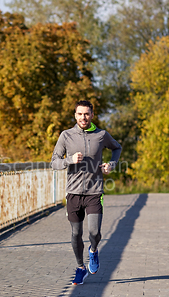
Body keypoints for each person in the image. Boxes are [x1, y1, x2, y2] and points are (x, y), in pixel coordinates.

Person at [51, 100, 122, 285]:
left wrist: (111, 165)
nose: (83, 117)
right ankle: (80, 267)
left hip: (94, 190)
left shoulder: (101, 135)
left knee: (94, 232)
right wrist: (69, 160)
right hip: (73, 192)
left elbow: (117, 148)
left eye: (87, 114)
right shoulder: (66, 136)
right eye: (80, 114)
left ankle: (93, 250)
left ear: (92, 115)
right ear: (75, 115)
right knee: (75, 234)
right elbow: (54, 162)